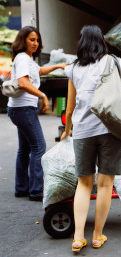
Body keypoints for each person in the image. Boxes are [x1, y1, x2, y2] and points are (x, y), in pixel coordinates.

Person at [60, 25, 121, 252]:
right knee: (105, 184)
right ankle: (98, 235)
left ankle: (78, 236)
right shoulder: (115, 62)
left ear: (81, 42)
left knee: (84, 183)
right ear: (102, 41)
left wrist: (67, 129)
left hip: (82, 131)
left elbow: (70, 108)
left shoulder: (73, 68)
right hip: (111, 129)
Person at [7, 26, 67, 201]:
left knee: (25, 149)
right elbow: (23, 82)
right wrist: (42, 95)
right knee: (39, 147)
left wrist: (58, 65)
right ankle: (36, 191)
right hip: (23, 109)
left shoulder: (28, 59)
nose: (35, 43)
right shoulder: (23, 58)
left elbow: (39, 71)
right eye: (31, 39)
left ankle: (22, 188)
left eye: (37, 40)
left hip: (19, 109)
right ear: (23, 40)